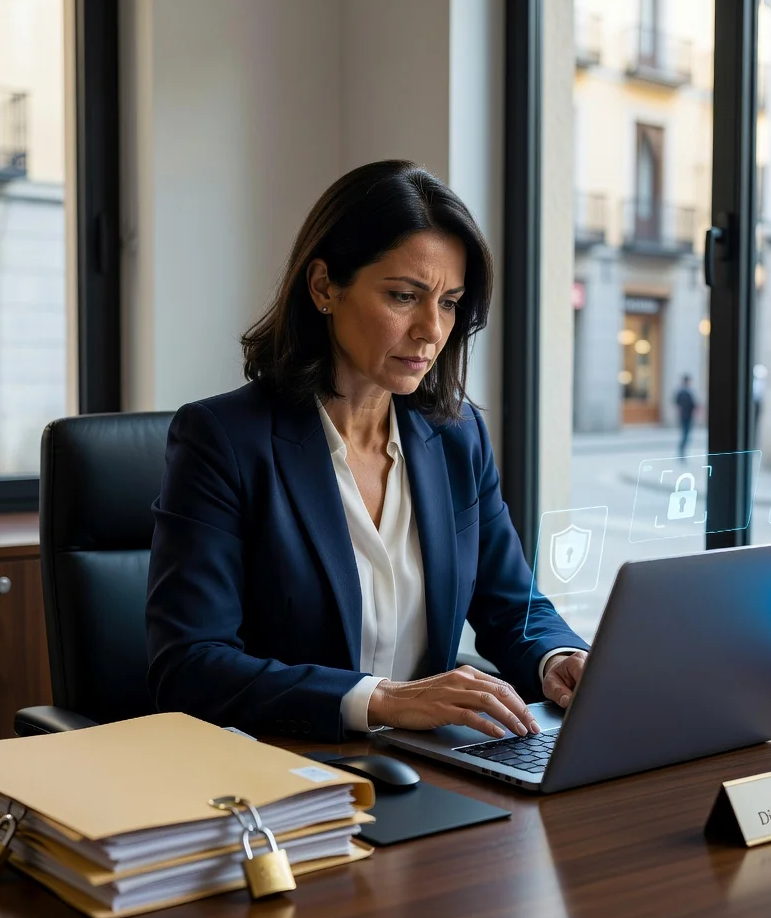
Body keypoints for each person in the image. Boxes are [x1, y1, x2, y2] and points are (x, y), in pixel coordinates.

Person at [146, 160, 590, 743]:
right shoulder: (222, 440)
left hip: (429, 767)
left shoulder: (458, 438)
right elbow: (189, 665)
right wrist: (382, 700)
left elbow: (513, 606)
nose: (432, 329)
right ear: (324, 286)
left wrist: (559, 660)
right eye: (405, 296)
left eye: (451, 302)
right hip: (287, 771)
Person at [674, 374, 697, 458]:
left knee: (686, 435)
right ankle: (682, 451)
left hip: (688, 416)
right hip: (685, 416)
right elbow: (678, 404)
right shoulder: (682, 392)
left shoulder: (689, 391)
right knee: (685, 435)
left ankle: (682, 451)